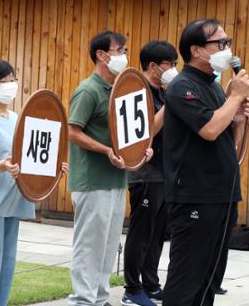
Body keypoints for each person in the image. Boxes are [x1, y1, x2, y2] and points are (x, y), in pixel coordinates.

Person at [0, 60, 68, 306]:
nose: (11, 85)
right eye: (4, 81)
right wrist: (2, 165)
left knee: (6, 265)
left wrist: (53, 168)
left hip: (12, 200)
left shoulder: (18, 119)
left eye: (12, 80)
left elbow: (31, 157)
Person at [162, 18, 249, 306]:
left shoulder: (213, 87)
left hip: (221, 195)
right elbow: (210, 129)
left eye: (228, 43)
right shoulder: (182, 86)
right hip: (195, 197)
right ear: (198, 50)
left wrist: (238, 120)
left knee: (208, 279)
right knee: (186, 279)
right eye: (220, 43)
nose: (228, 50)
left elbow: (229, 144)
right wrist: (235, 96)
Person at [67, 30, 153, 306]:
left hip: (116, 179)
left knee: (106, 246)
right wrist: (105, 150)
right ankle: (83, 299)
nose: (123, 55)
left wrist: (142, 149)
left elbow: (128, 134)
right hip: (92, 181)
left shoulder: (119, 90)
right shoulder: (88, 90)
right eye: (119, 50)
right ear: (101, 55)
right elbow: (72, 131)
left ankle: (100, 298)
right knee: (89, 245)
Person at [121, 41, 178, 306]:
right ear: (153, 66)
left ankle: (151, 283)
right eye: (170, 65)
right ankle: (132, 289)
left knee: (158, 233)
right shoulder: (136, 91)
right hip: (145, 173)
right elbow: (145, 133)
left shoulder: (165, 93)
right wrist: (172, 102)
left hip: (165, 173)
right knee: (141, 233)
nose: (174, 69)